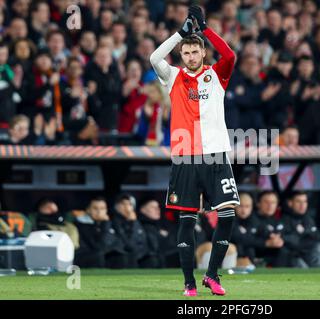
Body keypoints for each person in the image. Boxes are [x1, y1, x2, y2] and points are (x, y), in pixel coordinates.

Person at [150, 5, 239, 296]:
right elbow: (154, 57)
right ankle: (189, 283)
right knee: (187, 220)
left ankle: (212, 275)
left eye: (194, 52)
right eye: (186, 53)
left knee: (227, 215)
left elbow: (230, 55)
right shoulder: (172, 76)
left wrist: (205, 29)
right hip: (185, 157)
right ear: (181, 56)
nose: (190, 56)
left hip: (216, 157)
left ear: (202, 53)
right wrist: (180, 34)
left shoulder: (217, 76)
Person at [74, 196, 129, 268]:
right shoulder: (81, 225)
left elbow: (122, 244)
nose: (99, 212)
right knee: (100, 255)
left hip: (105, 257)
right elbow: (100, 247)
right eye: (95, 208)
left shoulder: (111, 223)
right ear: (88, 210)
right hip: (86, 259)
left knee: (123, 256)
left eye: (102, 208)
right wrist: (105, 224)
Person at [111, 193, 148, 268]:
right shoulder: (113, 222)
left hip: (136, 256)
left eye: (129, 204)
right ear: (116, 206)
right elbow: (128, 244)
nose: (126, 207)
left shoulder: (135, 222)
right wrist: (133, 223)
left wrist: (134, 223)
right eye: (123, 204)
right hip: (120, 257)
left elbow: (143, 242)